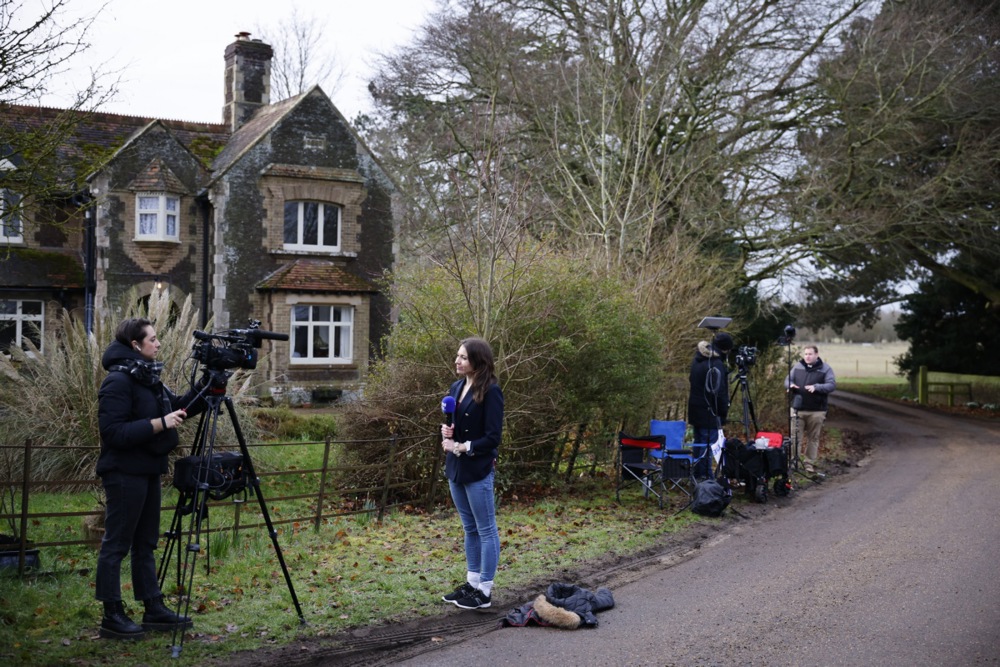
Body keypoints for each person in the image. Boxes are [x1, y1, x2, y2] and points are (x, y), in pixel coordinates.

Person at [95, 317, 205, 640]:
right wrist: (159, 423)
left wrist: (207, 386)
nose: (158, 344)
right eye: (153, 339)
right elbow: (113, 433)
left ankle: (152, 607)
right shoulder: (118, 381)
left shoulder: (147, 377)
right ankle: (112, 613)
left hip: (148, 470)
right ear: (136, 345)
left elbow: (179, 408)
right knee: (116, 544)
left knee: (146, 543)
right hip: (123, 472)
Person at [439, 337, 504, 610]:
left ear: (478, 361)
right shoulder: (456, 387)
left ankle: (485, 591)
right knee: (469, 529)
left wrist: (463, 446)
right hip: (457, 469)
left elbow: (492, 438)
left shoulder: (491, 391)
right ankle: (472, 583)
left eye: (463, 357)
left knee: (486, 529)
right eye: (457, 356)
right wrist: (446, 433)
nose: (457, 361)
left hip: (477, 469)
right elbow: (455, 425)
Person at [687, 332, 733, 479]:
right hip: (710, 411)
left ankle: (697, 473)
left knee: (699, 442)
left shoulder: (697, 360)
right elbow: (719, 393)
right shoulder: (716, 364)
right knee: (708, 445)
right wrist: (722, 413)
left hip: (695, 409)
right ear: (726, 349)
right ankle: (706, 476)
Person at [784, 345, 836, 472]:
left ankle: (808, 463)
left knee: (813, 437)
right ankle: (793, 462)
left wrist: (817, 387)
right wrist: (790, 385)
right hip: (797, 409)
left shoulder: (826, 369)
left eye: (810, 354)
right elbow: (787, 380)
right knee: (795, 437)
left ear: (816, 355)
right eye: (806, 354)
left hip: (817, 411)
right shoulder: (797, 367)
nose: (807, 356)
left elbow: (831, 385)